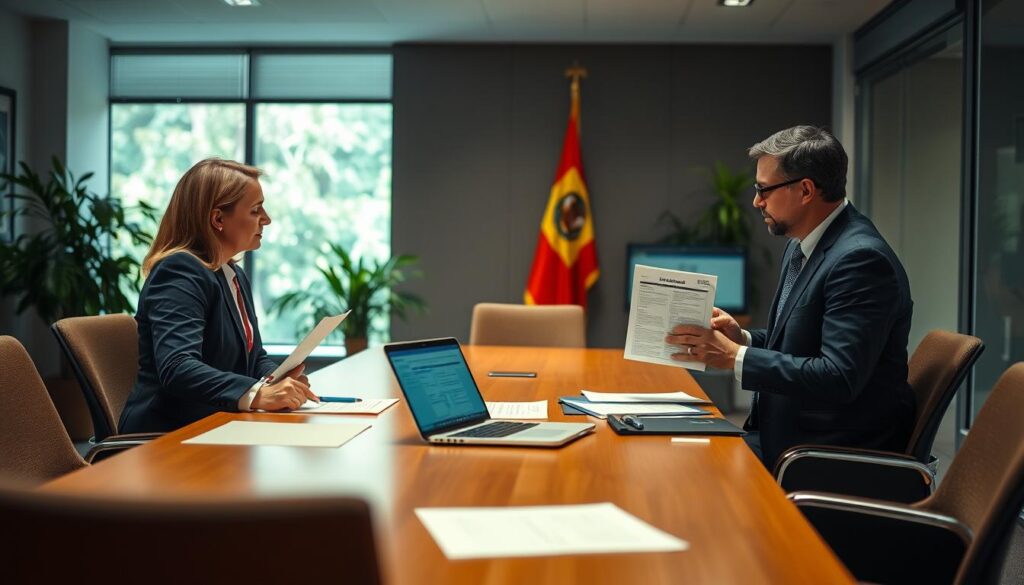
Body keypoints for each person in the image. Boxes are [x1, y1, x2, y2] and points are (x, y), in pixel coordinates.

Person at [666, 126, 915, 468]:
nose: (756, 201)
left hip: (825, 456)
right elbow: (802, 344)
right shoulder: (802, 246)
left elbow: (838, 377)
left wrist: (736, 357)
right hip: (783, 437)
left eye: (763, 189)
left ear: (806, 190)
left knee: (684, 472)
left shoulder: (861, 260)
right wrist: (744, 338)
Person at [120, 158, 319, 433]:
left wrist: (277, 380)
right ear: (218, 219)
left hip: (215, 425)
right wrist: (257, 394)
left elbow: (253, 356)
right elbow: (178, 367)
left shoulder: (232, 274)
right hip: (166, 436)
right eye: (255, 210)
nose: (267, 219)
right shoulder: (179, 271)